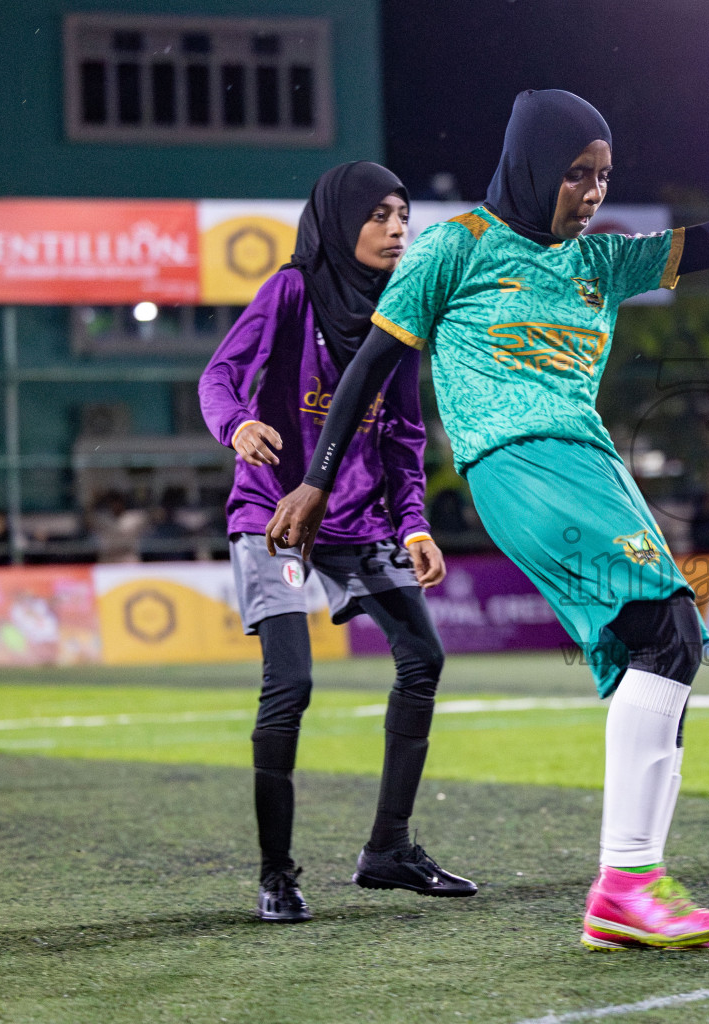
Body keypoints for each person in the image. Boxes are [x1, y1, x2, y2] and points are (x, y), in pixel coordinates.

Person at [265, 90, 709, 950]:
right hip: (521, 462)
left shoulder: (602, 261)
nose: (590, 193)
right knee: (669, 633)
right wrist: (318, 483)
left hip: (588, 464)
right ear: (529, 166)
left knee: (665, 650)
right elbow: (372, 362)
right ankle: (625, 883)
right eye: (575, 175)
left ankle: (633, 885)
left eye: (602, 177)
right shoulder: (456, 247)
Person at [199, 162, 475, 926]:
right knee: (291, 683)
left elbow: (405, 434)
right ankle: (277, 875)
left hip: (357, 523)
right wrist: (237, 425)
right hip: (275, 516)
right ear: (339, 221)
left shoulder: (402, 310)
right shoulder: (291, 292)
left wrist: (414, 521)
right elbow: (218, 376)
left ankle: (388, 849)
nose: (397, 229)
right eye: (380, 214)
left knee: (423, 656)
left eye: (404, 214)